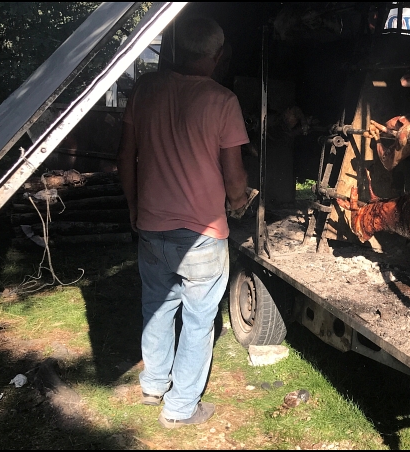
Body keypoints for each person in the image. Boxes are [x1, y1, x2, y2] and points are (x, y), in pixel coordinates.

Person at [116, 16, 250, 429]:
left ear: (177, 49)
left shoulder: (146, 90)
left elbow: (125, 159)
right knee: (197, 321)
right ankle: (180, 408)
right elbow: (234, 176)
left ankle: (154, 383)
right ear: (217, 55)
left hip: (152, 226)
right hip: (203, 237)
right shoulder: (224, 102)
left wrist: (134, 208)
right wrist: (241, 201)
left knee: (156, 308)